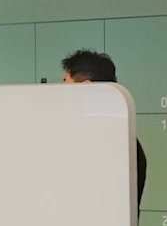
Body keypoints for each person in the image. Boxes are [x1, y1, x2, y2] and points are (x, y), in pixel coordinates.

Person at [62, 49, 146, 208]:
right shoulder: (124, 138)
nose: (60, 91)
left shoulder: (104, 142)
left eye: (66, 83)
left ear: (85, 87)